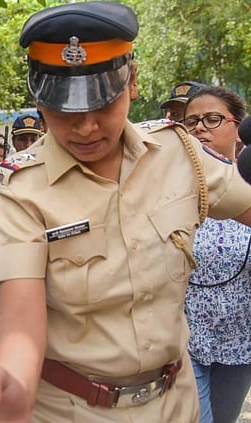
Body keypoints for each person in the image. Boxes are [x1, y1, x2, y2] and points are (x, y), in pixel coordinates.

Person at [0, 2, 251, 422]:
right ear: (38, 99)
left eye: (102, 105)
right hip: (72, 410)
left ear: (133, 82)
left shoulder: (179, 153)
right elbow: (20, 315)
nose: (85, 127)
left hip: (176, 403)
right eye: (64, 111)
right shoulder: (22, 188)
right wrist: (12, 383)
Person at [183, 85, 251, 423]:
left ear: (238, 127)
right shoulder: (167, 187)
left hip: (240, 341)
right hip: (184, 341)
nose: (199, 128)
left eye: (212, 119)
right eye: (191, 121)